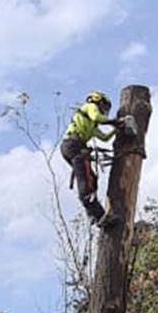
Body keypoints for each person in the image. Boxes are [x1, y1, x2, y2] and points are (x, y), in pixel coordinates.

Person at [61, 90, 120, 227]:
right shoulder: (90, 107)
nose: (103, 110)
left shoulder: (90, 124)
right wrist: (115, 121)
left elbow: (104, 137)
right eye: (103, 106)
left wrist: (117, 129)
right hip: (73, 145)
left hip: (73, 147)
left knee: (92, 178)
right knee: (86, 181)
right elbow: (97, 117)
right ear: (97, 99)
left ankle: (91, 213)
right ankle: (100, 216)